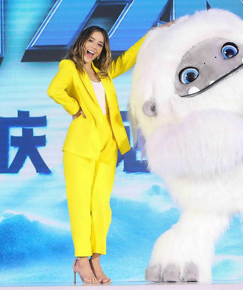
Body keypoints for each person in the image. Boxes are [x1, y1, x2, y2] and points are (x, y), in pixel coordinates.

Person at [47, 23, 170, 284]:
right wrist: (75, 108)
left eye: (100, 44)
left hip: (108, 146)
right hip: (80, 146)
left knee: (101, 206)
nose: (94, 47)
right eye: (91, 40)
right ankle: (81, 260)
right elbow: (54, 90)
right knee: (81, 205)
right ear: (82, 41)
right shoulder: (69, 67)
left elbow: (127, 59)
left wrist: (154, 34)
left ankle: (96, 259)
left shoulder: (104, 73)